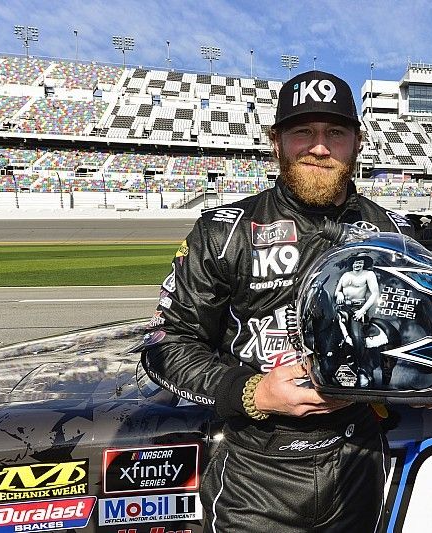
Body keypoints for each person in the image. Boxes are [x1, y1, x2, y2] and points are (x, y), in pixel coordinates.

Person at [142, 70, 416, 532]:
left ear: (358, 142)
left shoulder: (396, 236)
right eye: (302, 132)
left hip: (360, 461)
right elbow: (164, 345)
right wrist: (254, 392)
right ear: (276, 141)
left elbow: (420, 337)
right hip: (255, 470)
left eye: (336, 132)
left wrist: (421, 378)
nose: (320, 147)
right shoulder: (223, 231)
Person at [333, 254, 380, 387]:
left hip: (358, 308)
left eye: (360, 262)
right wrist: (340, 294)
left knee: (357, 336)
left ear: (363, 264)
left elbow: (375, 294)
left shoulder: (369, 275)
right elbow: (337, 291)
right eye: (355, 262)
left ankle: (362, 369)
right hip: (342, 307)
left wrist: (363, 310)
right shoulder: (346, 275)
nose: (357, 265)